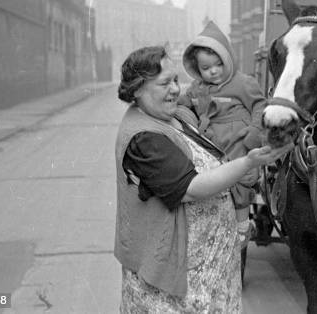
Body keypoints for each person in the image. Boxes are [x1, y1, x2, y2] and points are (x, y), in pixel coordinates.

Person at [115, 46, 290, 313]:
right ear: (137, 89)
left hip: (205, 276)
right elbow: (192, 189)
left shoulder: (172, 116)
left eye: (175, 80)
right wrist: (249, 162)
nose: (175, 89)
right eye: (164, 83)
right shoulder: (143, 138)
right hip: (175, 287)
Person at [179, 21, 266, 248]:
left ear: (228, 59)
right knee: (211, 184)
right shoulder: (198, 87)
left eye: (218, 64)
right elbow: (184, 103)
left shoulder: (243, 83)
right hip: (210, 144)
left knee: (240, 182)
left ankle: (242, 227)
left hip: (237, 142)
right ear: (198, 69)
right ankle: (213, 224)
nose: (214, 71)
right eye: (206, 68)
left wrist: (254, 133)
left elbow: (260, 106)